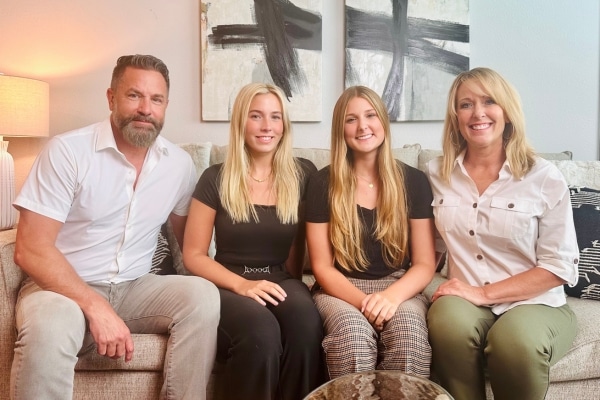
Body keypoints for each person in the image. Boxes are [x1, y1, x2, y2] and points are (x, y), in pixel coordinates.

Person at [10, 54, 220, 400]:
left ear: (166, 106)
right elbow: (30, 248)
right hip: (58, 289)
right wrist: (95, 306)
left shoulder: (179, 166)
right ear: (111, 98)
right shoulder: (68, 152)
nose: (145, 109)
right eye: (134, 95)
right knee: (50, 325)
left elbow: (191, 246)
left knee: (202, 297)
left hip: (136, 288)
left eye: (156, 99)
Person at [426, 67, 579, 400]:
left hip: (535, 303)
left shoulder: (543, 177)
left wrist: (483, 294)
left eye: (489, 101)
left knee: (514, 342)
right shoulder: (437, 173)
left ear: (507, 111)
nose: (478, 113)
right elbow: (429, 253)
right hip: (466, 301)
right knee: (446, 321)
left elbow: (560, 266)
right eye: (466, 104)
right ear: (455, 117)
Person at [182, 83, 323, 400]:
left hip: (280, 279)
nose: (267, 126)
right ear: (240, 122)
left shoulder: (302, 174)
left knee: (305, 325)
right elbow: (193, 255)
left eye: (275, 117)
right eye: (256, 116)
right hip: (227, 283)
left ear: (284, 125)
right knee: (261, 333)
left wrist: (295, 286)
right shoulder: (215, 177)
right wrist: (242, 286)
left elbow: (300, 247)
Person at [305, 85, 437, 379]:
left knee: (409, 335)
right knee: (352, 336)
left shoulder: (413, 181)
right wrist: (366, 305)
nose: (362, 126)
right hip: (338, 289)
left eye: (370, 115)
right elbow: (322, 267)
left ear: (383, 122)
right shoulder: (321, 183)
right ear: (341, 129)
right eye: (351, 119)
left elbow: (426, 263)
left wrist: (389, 299)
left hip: (398, 287)